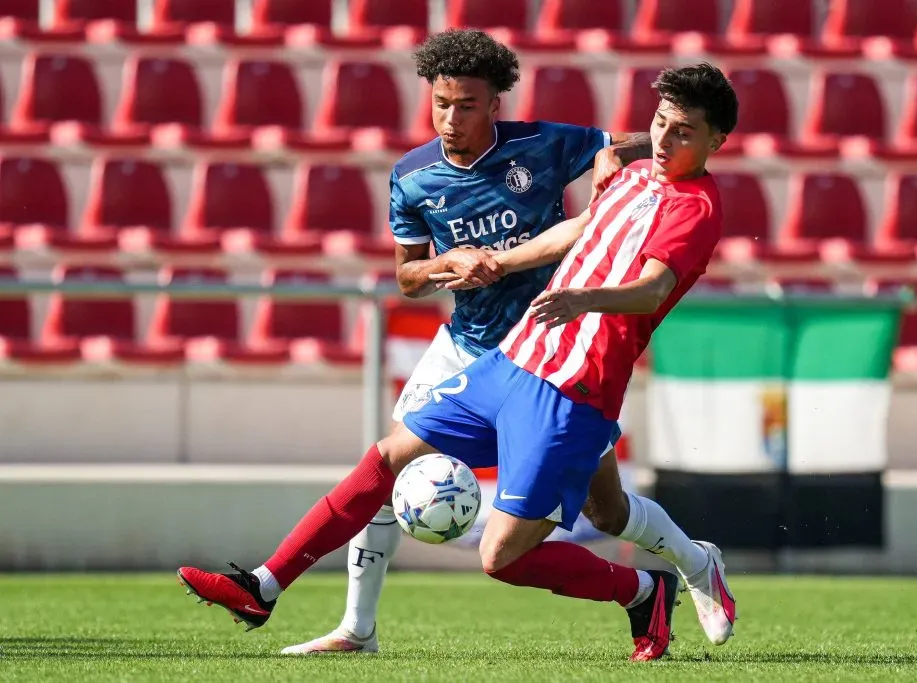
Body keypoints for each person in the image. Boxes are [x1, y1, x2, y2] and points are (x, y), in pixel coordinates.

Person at [178, 61, 739, 662]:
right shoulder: (631, 180)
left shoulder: (696, 208)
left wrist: (583, 298)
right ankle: (264, 588)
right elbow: (578, 229)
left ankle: (645, 587)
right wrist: (504, 261)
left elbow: (653, 289)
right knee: (388, 457)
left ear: (715, 141)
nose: (662, 139)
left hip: (573, 389)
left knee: (510, 554)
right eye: (658, 124)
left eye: (682, 131)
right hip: (511, 358)